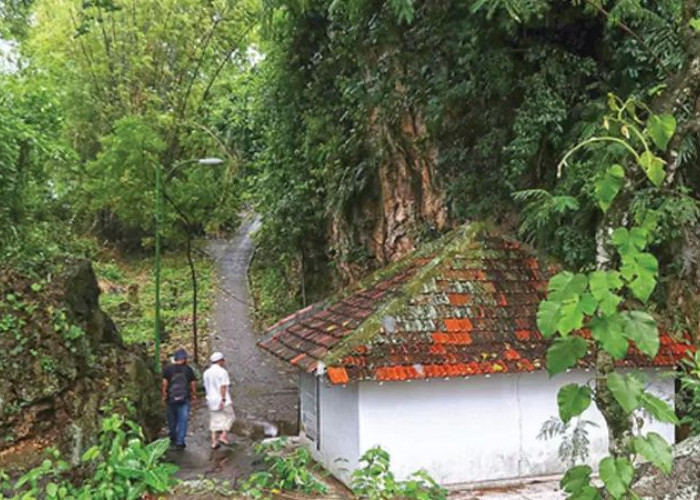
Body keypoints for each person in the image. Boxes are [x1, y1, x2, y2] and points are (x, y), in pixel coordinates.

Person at [162, 348, 197, 450]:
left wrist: (164, 396)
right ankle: (180, 442)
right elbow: (193, 384)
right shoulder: (188, 369)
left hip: (171, 399)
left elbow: (164, 384)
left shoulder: (168, 369)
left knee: (172, 419)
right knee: (183, 420)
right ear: (184, 359)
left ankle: (173, 436)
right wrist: (194, 395)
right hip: (184, 398)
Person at [202, 351, 235, 449]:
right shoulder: (222, 372)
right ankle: (223, 435)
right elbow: (223, 386)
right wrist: (223, 399)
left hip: (211, 399)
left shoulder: (206, 373)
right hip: (222, 399)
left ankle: (214, 442)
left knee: (215, 420)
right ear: (220, 361)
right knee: (230, 417)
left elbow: (205, 386)